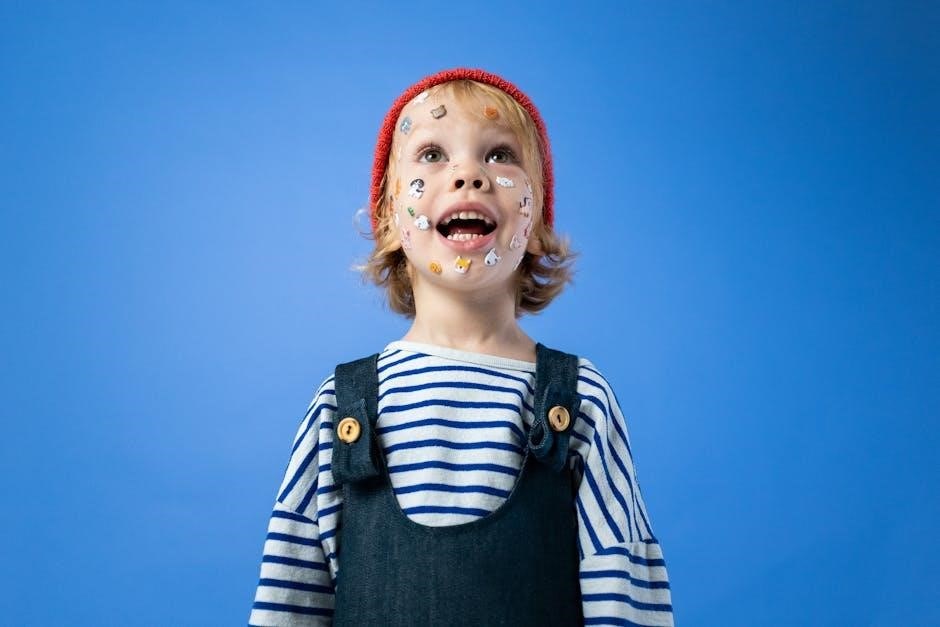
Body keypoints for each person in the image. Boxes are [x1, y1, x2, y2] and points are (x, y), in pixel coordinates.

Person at [248, 68, 674, 626]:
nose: (469, 174)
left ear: (537, 219)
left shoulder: (579, 402)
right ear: (389, 219)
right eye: (431, 154)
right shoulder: (342, 408)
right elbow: (289, 598)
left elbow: (624, 589)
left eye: (500, 155)